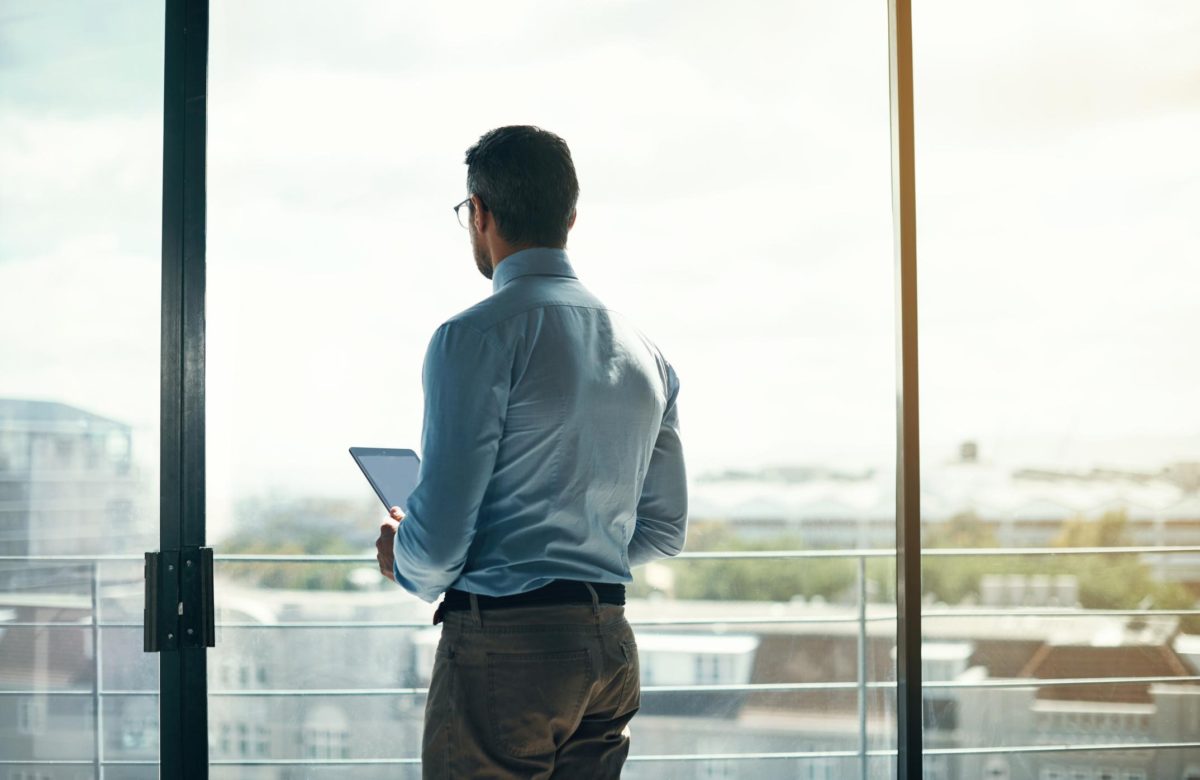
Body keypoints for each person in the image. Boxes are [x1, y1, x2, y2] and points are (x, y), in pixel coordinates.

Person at [373, 125, 688, 779]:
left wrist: (402, 557)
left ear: (480, 214)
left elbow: (434, 549)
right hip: (608, 649)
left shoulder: (474, 337)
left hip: (506, 653)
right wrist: (572, 556)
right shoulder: (647, 354)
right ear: (570, 216)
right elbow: (663, 530)